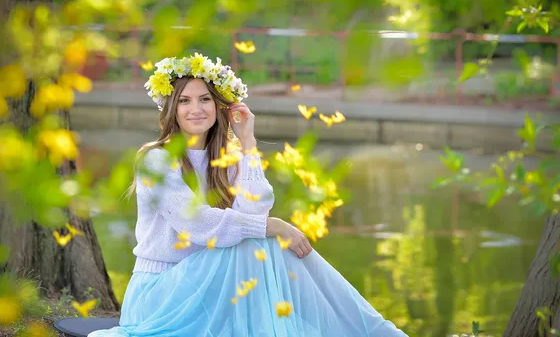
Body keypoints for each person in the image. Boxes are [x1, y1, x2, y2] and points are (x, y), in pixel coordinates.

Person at [88, 53, 407, 337]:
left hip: (211, 286)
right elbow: (198, 224)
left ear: (219, 106)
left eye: (205, 100)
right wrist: (276, 226)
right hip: (162, 292)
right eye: (184, 101)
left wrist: (248, 143)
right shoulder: (156, 159)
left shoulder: (227, 158)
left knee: (260, 240)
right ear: (172, 108)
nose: (195, 109)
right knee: (259, 240)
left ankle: (371, 330)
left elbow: (253, 214)